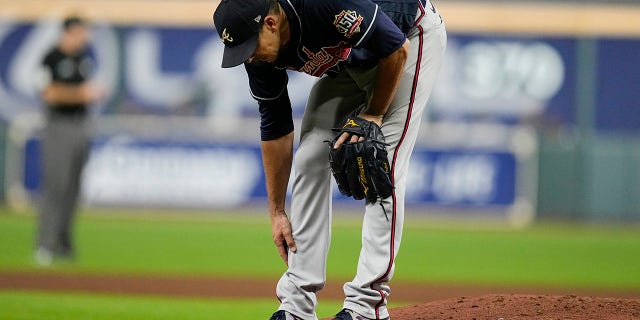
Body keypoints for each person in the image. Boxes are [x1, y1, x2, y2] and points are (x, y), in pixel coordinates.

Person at [213, 0, 446, 318]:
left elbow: (395, 48)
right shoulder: (259, 53)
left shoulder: (321, 4)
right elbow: (275, 123)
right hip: (354, 62)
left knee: (381, 165)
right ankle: (296, 304)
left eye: (249, 47)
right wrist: (277, 211)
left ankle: (367, 305)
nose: (248, 56)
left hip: (409, 40)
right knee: (309, 156)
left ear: (270, 23)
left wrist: (373, 114)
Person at [34, 16, 101, 266]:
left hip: (80, 125)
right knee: (56, 186)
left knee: (73, 189)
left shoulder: (83, 59)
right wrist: (81, 94)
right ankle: (45, 245)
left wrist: (87, 95)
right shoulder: (51, 57)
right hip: (58, 127)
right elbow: (48, 93)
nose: (85, 37)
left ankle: (63, 244)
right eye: (82, 32)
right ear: (69, 32)